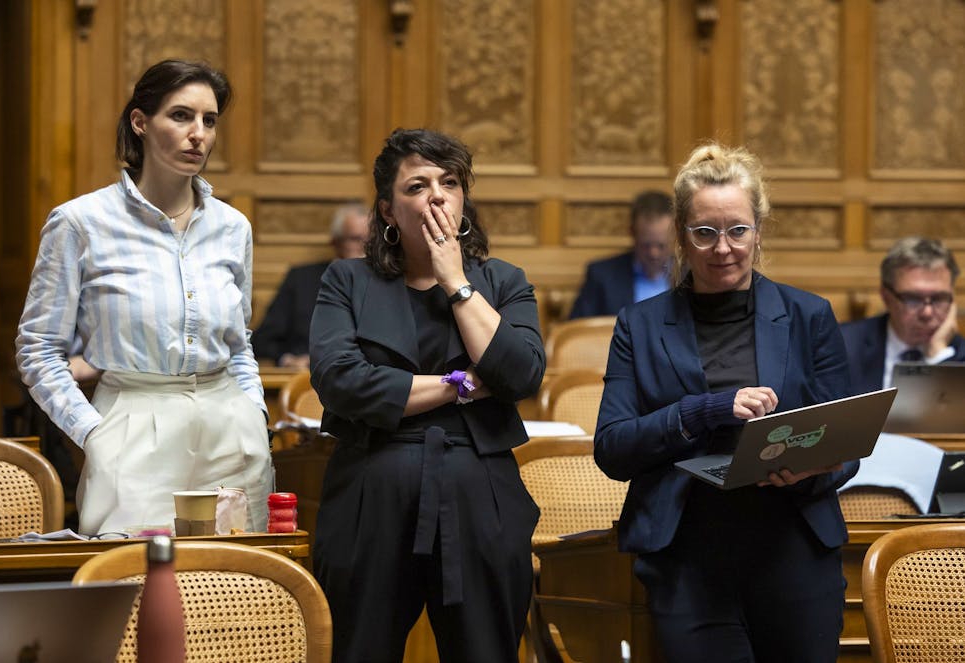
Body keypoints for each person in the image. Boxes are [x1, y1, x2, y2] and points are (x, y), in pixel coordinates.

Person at [594, 143, 855, 663]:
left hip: (793, 543)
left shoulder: (809, 315)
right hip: (687, 555)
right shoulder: (640, 325)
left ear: (759, 230)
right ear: (681, 236)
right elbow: (613, 448)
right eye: (705, 233)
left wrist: (808, 471)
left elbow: (844, 440)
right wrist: (703, 410)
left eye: (737, 230)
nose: (723, 249)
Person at [309, 128, 544, 663]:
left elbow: (521, 375)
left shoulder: (503, 282)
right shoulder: (348, 280)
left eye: (450, 182)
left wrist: (455, 281)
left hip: (480, 494)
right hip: (371, 492)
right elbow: (341, 381)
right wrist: (458, 385)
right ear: (389, 211)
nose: (437, 195)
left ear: (463, 199)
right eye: (417, 186)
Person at [16, 60, 273, 535]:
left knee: (234, 589)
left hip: (231, 427)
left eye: (209, 120)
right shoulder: (80, 222)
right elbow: (37, 350)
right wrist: (94, 432)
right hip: (132, 424)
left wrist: (254, 412)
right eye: (181, 116)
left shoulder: (233, 227)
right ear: (140, 122)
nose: (198, 133)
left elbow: (240, 343)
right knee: (133, 588)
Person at [251, 203, 369, 370]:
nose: (365, 248)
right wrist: (289, 360)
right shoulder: (301, 280)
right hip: (308, 380)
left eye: (371, 240)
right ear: (335, 242)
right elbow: (262, 340)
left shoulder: (388, 284)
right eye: (356, 239)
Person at [841, 237, 963, 393]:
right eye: (913, 299)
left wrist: (937, 356)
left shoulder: (959, 356)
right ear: (886, 296)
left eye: (939, 298)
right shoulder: (844, 346)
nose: (927, 312)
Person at [569, 189, 674, 318]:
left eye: (661, 245)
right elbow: (576, 331)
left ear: (675, 236)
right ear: (632, 233)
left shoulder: (691, 276)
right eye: (645, 245)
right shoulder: (602, 276)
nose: (654, 253)